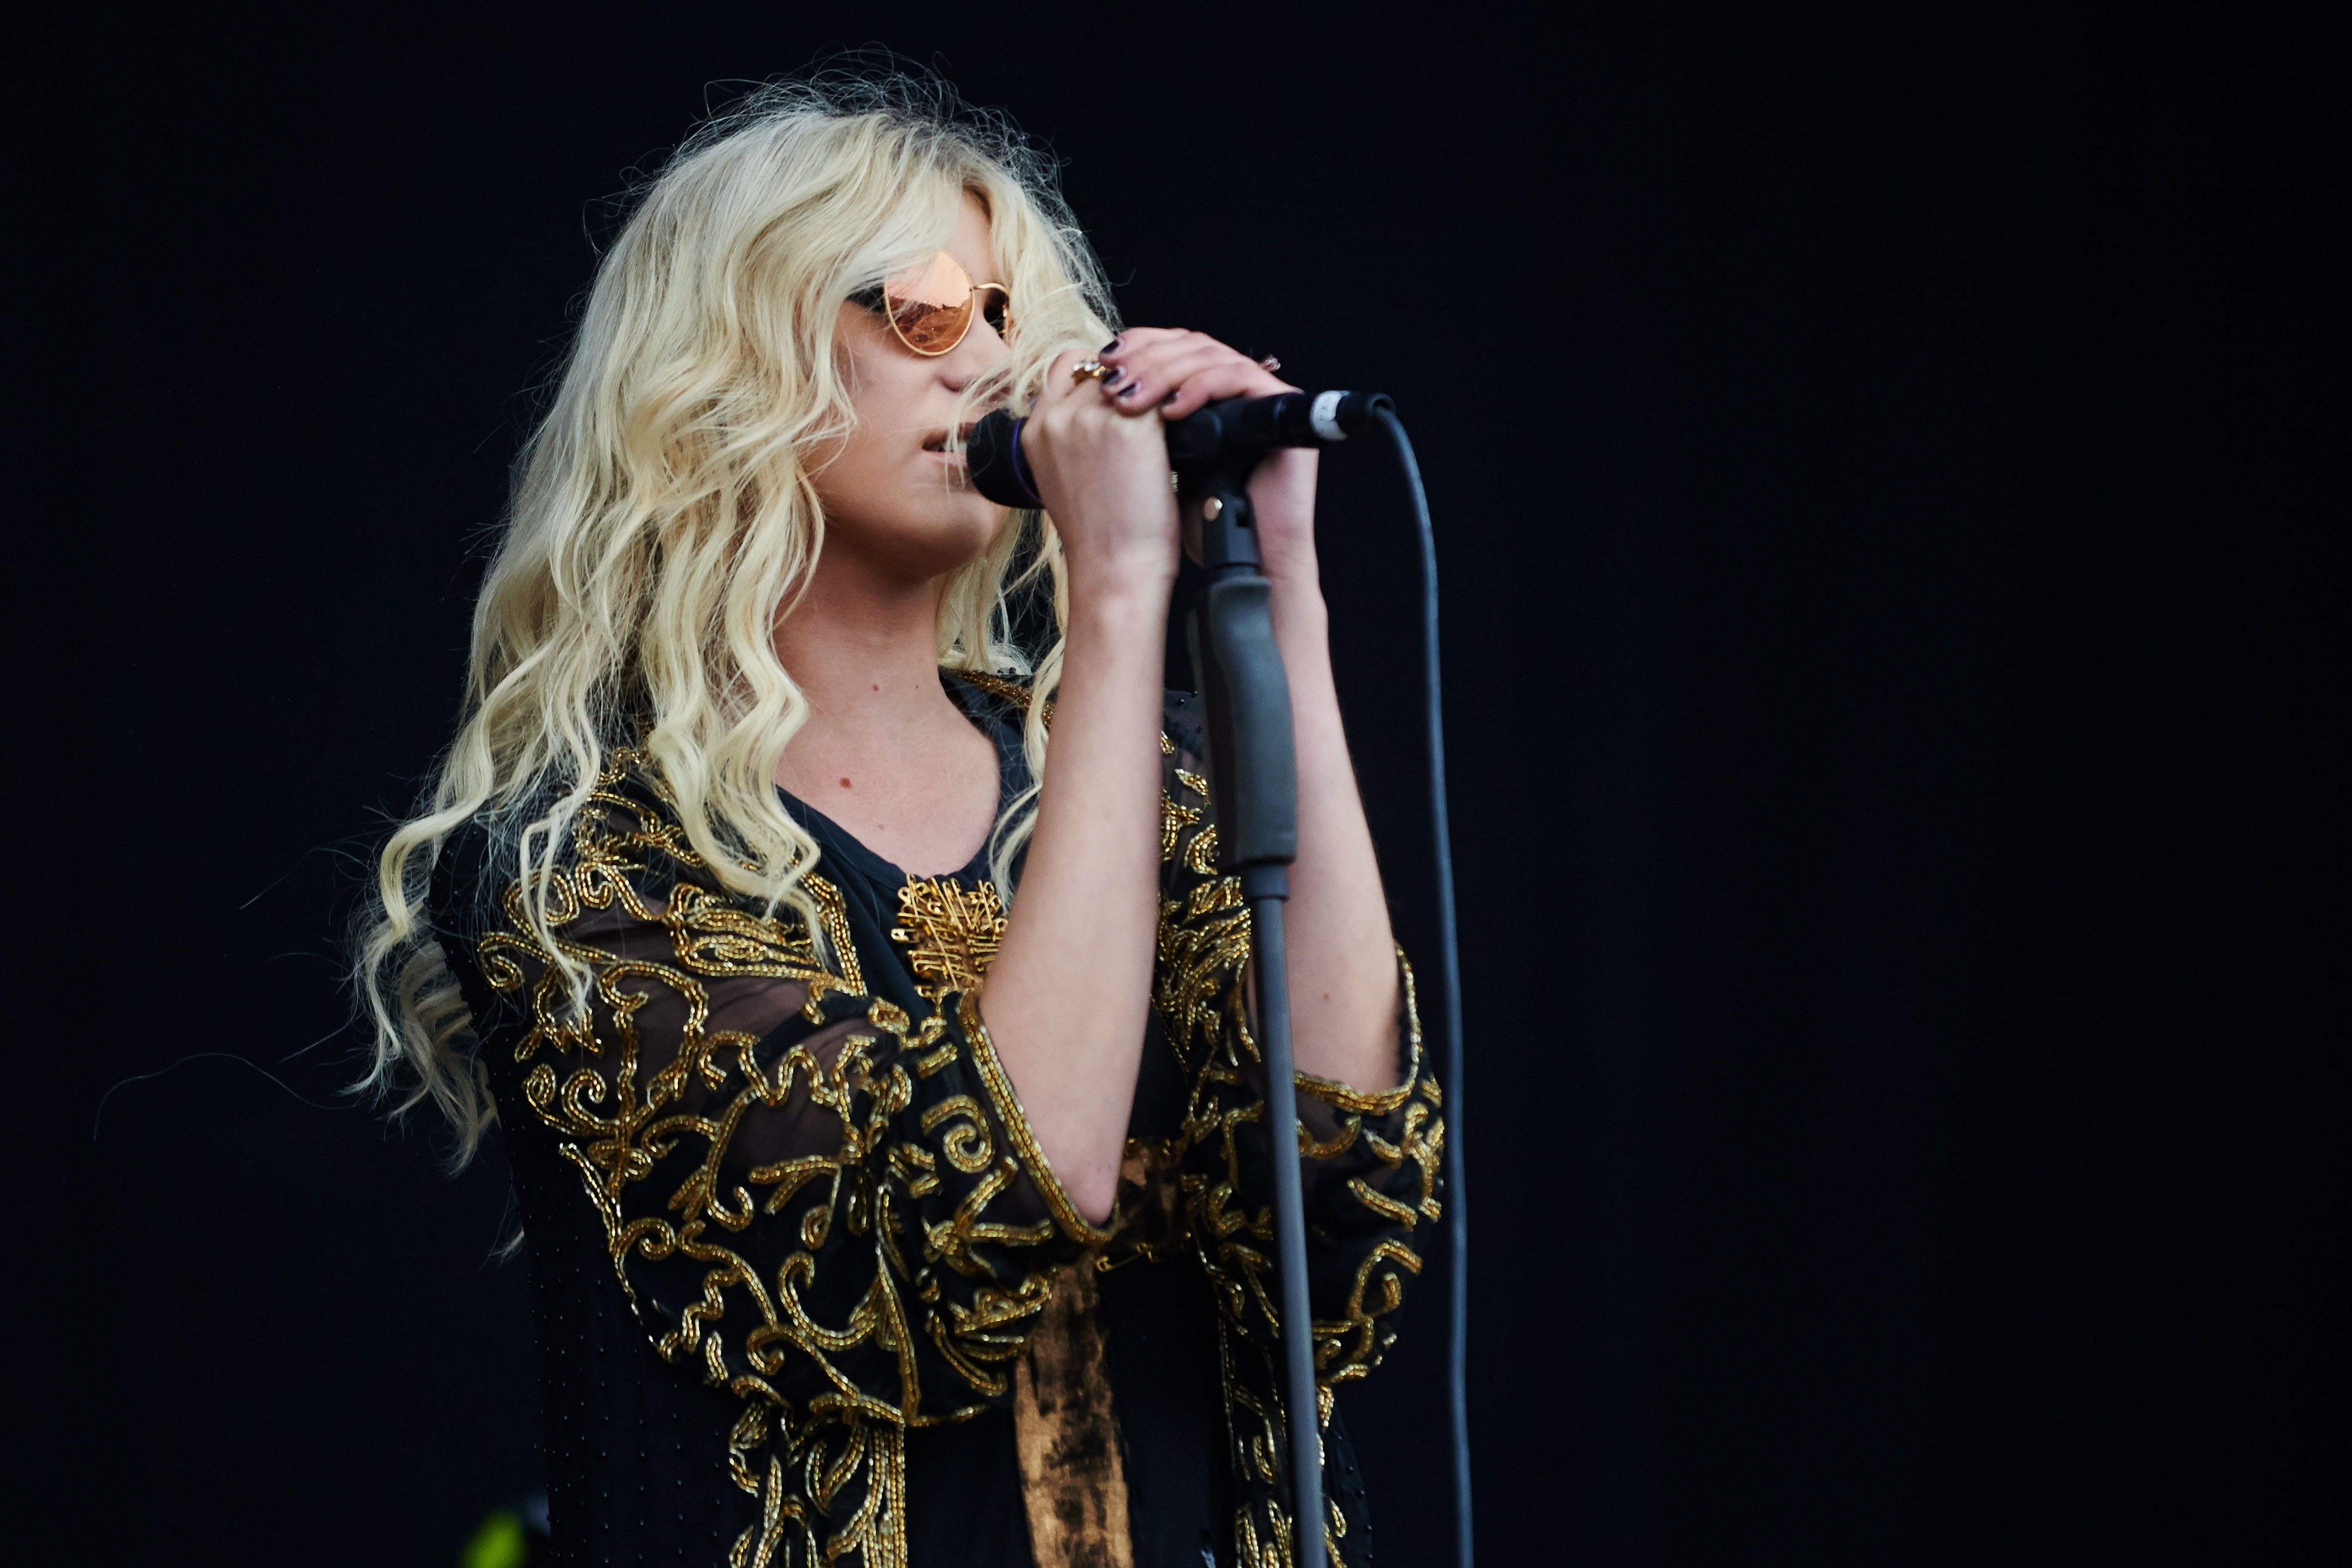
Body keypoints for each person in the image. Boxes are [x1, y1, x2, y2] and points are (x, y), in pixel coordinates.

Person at [356, 71, 1442, 1568]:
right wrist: (1121, 596)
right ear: (729, 361)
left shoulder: (1143, 782)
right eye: (925, 309)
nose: (990, 364)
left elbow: (1350, 1203)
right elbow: (962, 1225)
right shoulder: (584, 860)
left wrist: (1283, 583)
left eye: (1014, 318)